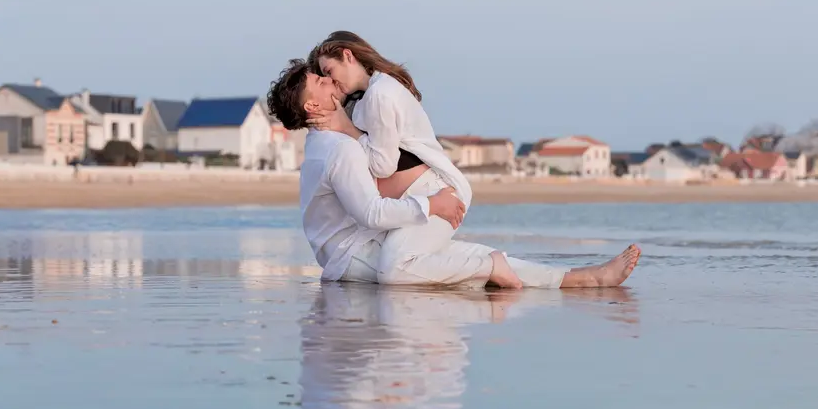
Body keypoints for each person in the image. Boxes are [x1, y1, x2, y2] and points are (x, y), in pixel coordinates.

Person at [266, 58, 642, 289]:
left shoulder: (323, 144)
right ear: (313, 104)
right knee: (431, 271)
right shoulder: (338, 149)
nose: (330, 79)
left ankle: (582, 279)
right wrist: (430, 205)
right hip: (352, 257)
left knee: (461, 268)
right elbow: (371, 213)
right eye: (320, 81)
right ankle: (570, 277)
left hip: (354, 251)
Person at [304, 33, 480, 286]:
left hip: (439, 189)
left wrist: (346, 128)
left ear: (347, 55)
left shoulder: (380, 94)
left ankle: (492, 264)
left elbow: (382, 165)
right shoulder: (365, 97)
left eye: (329, 71)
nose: (331, 80)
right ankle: (521, 272)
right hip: (414, 195)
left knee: (396, 270)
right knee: (412, 266)